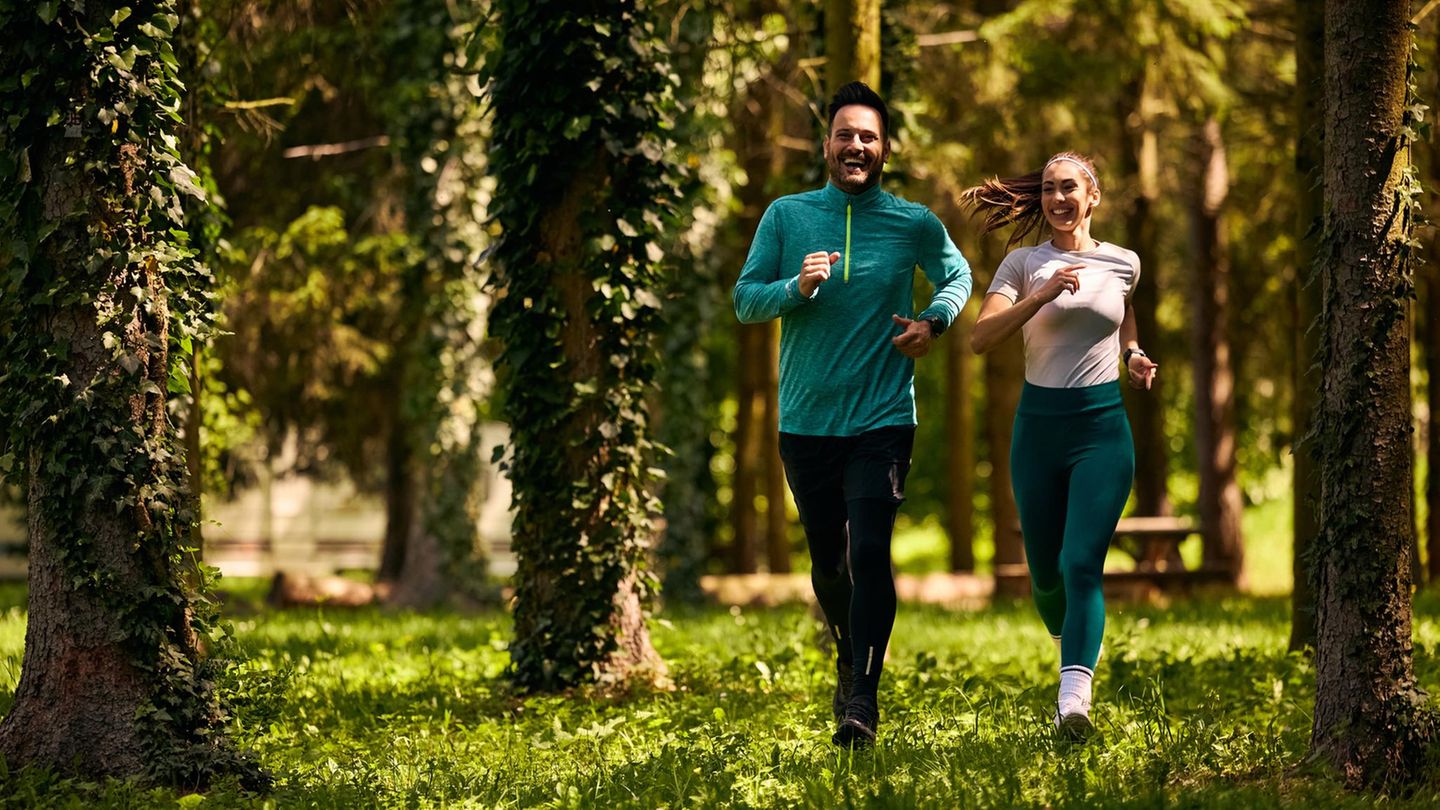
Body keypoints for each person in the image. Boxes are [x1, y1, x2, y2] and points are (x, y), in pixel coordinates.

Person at [732, 81, 972, 748]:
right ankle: (847, 653)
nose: (856, 146)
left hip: (883, 417)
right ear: (827, 144)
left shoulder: (914, 222)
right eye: (845, 135)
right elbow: (745, 299)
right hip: (806, 421)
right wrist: (795, 287)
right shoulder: (786, 216)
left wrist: (933, 321)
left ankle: (862, 699)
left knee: (869, 551)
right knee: (829, 565)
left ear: (885, 147)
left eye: (868, 136)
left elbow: (959, 276)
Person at [962, 151, 1159, 740]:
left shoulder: (1125, 262)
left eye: (1069, 187)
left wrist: (1132, 355)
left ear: (1092, 196)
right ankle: (1070, 643)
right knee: (1045, 573)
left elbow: (1121, 318)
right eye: (1048, 189)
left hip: (1101, 431)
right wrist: (1041, 296)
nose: (1057, 199)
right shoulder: (1023, 263)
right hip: (1038, 432)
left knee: (1080, 565)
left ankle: (1074, 699)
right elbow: (979, 338)